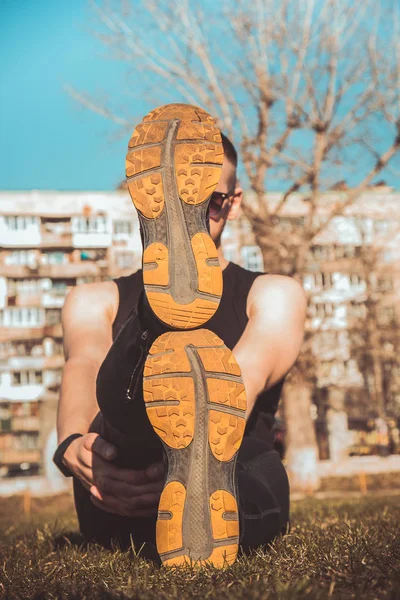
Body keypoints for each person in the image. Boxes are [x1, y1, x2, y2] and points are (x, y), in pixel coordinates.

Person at [54, 107, 307, 566]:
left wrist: (192, 453)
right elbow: (84, 366)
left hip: (229, 463)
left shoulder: (272, 294)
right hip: (121, 475)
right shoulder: (93, 299)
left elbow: (245, 376)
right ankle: (154, 319)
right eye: (183, 205)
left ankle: (204, 493)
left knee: (243, 460)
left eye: (209, 201)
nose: (198, 216)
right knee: (128, 405)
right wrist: (74, 448)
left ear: (234, 202)